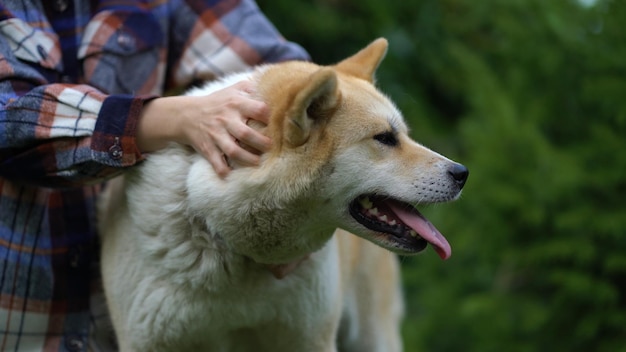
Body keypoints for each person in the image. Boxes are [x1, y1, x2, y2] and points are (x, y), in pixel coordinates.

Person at [0, 0, 309, 350]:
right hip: (17, 326)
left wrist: (297, 209)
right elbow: (9, 119)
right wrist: (177, 119)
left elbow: (289, 80)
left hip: (127, 326)